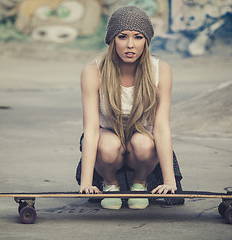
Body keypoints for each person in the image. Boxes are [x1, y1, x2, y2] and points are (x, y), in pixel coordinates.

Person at [76, 6, 183, 210]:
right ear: (112, 40)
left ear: (147, 41)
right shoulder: (93, 71)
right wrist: (86, 182)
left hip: (142, 143)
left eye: (138, 37)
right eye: (123, 36)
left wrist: (170, 181)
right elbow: (91, 129)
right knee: (107, 144)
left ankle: (139, 184)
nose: (130, 45)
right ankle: (110, 184)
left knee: (143, 142)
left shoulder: (161, 70)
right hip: (107, 140)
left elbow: (161, 127)